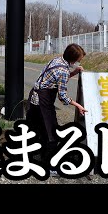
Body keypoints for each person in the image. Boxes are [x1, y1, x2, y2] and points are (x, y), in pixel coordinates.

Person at [26, 43, 87, 175]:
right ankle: (50, 167)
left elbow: (58, 80)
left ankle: (32, 160)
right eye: (78, 59)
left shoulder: (57, 60)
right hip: (43, 101)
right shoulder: (63, 70)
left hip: (34, 97)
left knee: (36, 129)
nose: (79, 61)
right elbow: (63, 97)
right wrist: (78, 105)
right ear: (73, 58)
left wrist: (74, 72)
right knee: (52, 134)